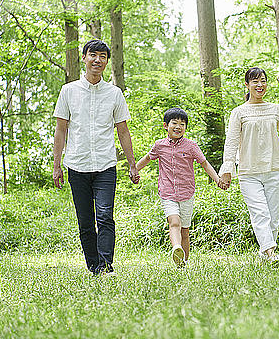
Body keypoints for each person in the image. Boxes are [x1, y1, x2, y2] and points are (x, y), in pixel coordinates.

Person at [52, 39, 140, 276]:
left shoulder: (114, 93)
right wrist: (56, 165)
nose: (97, 60)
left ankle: (106, 265)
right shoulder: (68, 91)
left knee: (105, 215)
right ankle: (95, 267)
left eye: (103, 56)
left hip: (105, 165)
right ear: (84, 58)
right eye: (93, 55)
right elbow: (61, 129)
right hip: (77, 165)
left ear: (107, 61)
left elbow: (123, 130)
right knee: (85, 221)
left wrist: (132, 164)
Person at [218, 67, 279, 266]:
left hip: (274, 170)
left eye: (262, 81)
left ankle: (265, 252)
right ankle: (271, 253)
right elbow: (231, 142)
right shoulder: (239, 112)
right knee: (260, 213)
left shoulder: (274, 109)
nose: (259, 85)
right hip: (249, 173)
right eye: (255, 81)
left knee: (273, 216)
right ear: (247, 85)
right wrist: (227, 170)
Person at [136, 107, 226, 267]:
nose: (178, 127)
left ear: (185, 127)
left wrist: (218, 179)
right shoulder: (159, 146)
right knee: (174, 222)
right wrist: (134, 170)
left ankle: (182, 262)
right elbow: (147, 158)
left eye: (182, 124)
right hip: (167, 192)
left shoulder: (191, 146)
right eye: (174, 123)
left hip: (186, 193)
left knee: (185, 230)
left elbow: (204, 164)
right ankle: (176, 247)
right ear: (166, 125)